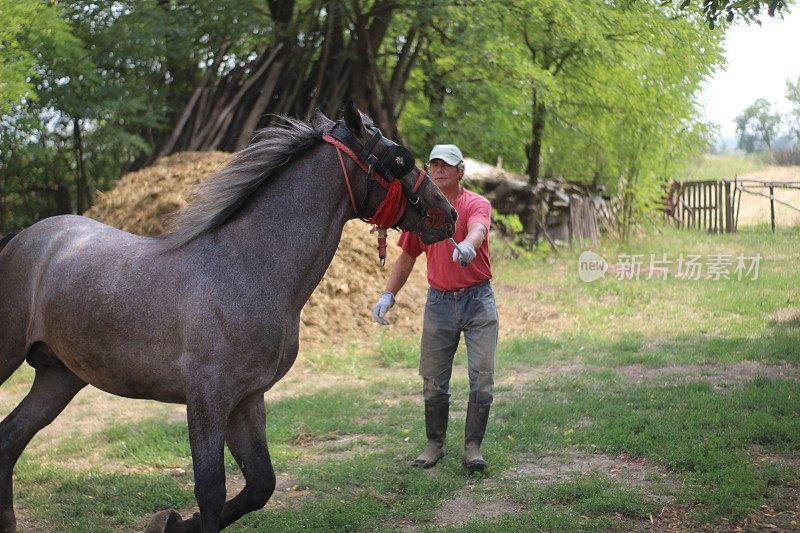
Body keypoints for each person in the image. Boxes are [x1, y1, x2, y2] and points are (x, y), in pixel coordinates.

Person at [371, 144, 499, 472]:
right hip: (439, 303)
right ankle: (434, 443)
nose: (440, 170)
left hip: (477, 301)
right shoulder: (423, 212)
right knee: (432, 380)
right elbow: (408, 256)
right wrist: (389, 294)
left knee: (482, 377)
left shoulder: (475, 203)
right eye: (435, 164)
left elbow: (479, 227)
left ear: (461, 172)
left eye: (448, 165)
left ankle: (472, 448)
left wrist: (469, 246)